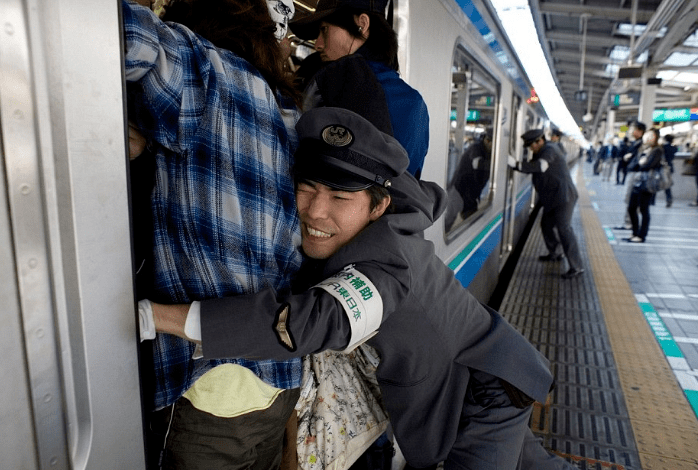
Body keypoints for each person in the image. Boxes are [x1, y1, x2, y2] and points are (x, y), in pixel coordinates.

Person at [142, 106, 574, 470]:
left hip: (482, 395)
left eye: (340, 199)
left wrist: (159, 316)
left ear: (377, 205)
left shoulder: (383, 269)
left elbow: (311, 324)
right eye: (306, 187)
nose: (315, 211)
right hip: (487, 368)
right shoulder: (389, 209)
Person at [123, 0, 305, 467]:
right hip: (278, 382)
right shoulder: (284, 110)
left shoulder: (198, 68)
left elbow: (106, 32)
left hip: (208, 390)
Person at [290, 0, 430, 179]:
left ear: (361, 24)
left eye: (324, 30)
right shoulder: (414, 103)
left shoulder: (326, 87)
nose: (317, 44)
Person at [509, 129, 584, 279]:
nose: (530, 148)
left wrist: (515, 164)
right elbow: (533, 165)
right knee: (546, 225)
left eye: (531, 145)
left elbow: (540, 166)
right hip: (552, 198)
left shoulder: (550, 149)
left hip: (564, 197)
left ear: (540, 141)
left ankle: (577, 266)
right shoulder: (541, 150)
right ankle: (555, 253)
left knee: (564, 229)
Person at [445, 129, 493, 229]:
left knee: (474, 221)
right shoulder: (475, 148)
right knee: (448, 219)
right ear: (487, 140)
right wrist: (496, 165)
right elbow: (476, 163)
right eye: (491, 142)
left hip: (471, 195)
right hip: (458, 190)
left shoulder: (490, 153)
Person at [623, 128, 664, 243]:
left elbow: (649, 165)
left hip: (647, 184)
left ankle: (642, 236)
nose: (648, 137)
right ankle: (634, 233)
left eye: (651, 135)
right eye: (647, 134)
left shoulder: (657, 150)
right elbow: (633, 165)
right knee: (631, 208)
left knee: (644, 210)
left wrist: (641, 163)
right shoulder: (643, 149)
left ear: (655, 137)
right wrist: (640, 162)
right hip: (637, 182)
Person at [615, 121, 647, 230]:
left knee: (631, 199)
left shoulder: (641, 144)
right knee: (629, 199)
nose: (631, 131)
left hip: (636, 174)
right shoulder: (636, 143)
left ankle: (629, 223)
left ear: (640, 131)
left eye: (633, 129)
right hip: (633, 173)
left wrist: (629, 158)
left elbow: (640, 160)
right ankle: (628, 222)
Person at [661, 134, 677, 207]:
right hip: (670, 167)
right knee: (667, 184)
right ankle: (669, 199)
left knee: (656, 181)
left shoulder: (663, 147)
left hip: (662, 167)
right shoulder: (674, 148)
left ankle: (652, 200)